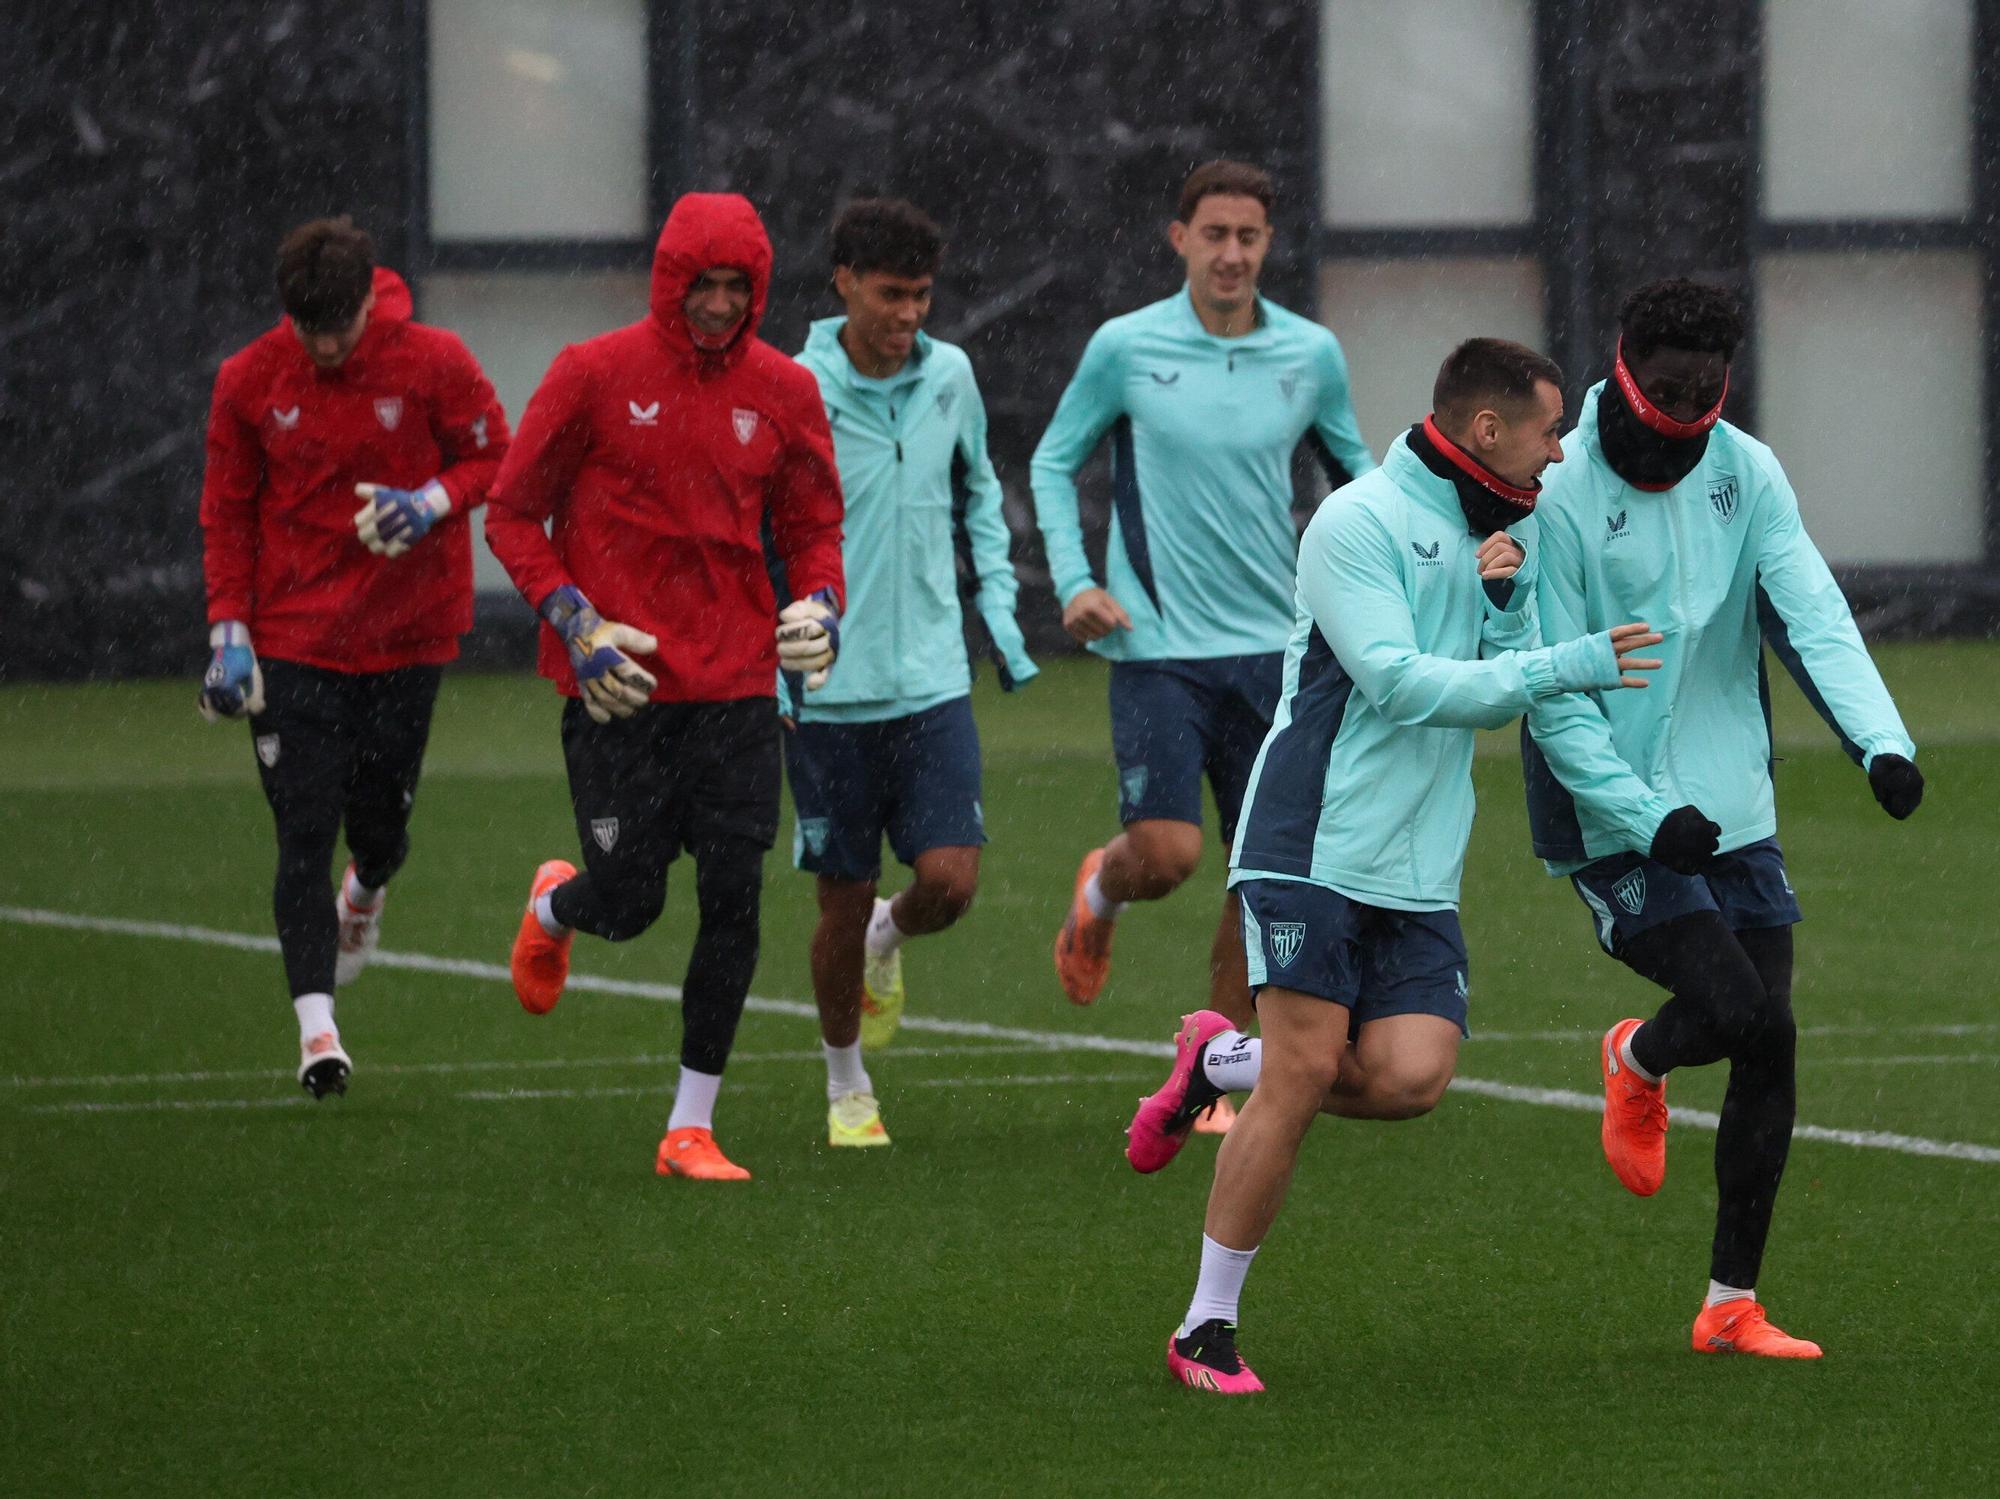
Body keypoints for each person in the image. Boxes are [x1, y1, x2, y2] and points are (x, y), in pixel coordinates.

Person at [1130, 339, 1672, 1394]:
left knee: (1408, 1077)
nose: (1556, 454)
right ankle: (1203, 1327)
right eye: (1545, 431)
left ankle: (1214, 1061)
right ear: (1484, 431)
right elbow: (1395, 683)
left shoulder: (1493, 529)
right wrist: (1567, 657)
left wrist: (1510, 615)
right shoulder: (1357, 519)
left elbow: (1471, 670)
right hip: (1310, 840)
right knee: (1300, 1066)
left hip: (1416, 860)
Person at [1519, 279, 1924, 1358]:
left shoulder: (1747, 471)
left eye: (1704, 391)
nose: (1686, 409)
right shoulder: (1558, 487)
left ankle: (1728, 1302)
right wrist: (1643, 814)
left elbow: (1810, 611)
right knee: (1745, 1011)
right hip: (1606, 805)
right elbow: (1549, 689)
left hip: (1731, 800)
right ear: (1624, 365)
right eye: (1666, 388)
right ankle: (1640, 1054)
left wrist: (1881, 741)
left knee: (1770, 1038)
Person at [485, 193, 846, 1183]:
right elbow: (512, 514)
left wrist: (821, 604)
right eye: (705, 284)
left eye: (740, 287)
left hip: (734, 686)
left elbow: (814, 524)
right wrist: (576, 619)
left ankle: (689, 1124)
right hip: (619, 689)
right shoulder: (590, 374)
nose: (721, 305)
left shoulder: (782, 389)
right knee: (632, 899)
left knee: (734, 896)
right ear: (668, 279)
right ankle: (559, 907)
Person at [1031, 161, 1377, 1134]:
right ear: (1176, 237)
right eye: (1213, 234)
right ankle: (1101, 885)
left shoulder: (1309, 355)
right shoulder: (1125, 347)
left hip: (1276, 651)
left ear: (1268, 246)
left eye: (1249, 238)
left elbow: (1363, 482)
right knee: (1170, 851)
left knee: (1257, 876)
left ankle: (1211, 1073)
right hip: (1157, 645)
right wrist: (1073, 583)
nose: (1231, 254)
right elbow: (1054, 461)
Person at [197, 215, 509, 1099]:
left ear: (373, 297)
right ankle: (317, 1032)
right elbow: (227, 510)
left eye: (343, 325)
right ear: (286, 315)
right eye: (311, 330)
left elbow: (495, 452)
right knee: (301, 831)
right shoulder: (249, 380)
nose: (329, 346)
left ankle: (366, 889)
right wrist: (229, 629)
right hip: (292, 641)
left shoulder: (433, 361)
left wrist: (432, 501)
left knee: (379, 827)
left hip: (405, 636)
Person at [785, 198, 1038, 1148]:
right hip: (828, 694)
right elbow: (769, 525)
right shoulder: (794, 386)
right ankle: (846, 1080)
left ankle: (896, 936)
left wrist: (1001, 627)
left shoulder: (953, 376)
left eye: (922, 296)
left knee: (951, 882)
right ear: (844, 282)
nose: (908, 315)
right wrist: (782, 660)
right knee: (838, 900)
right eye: (891, 294)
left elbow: (979, 492)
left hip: (933, 681)